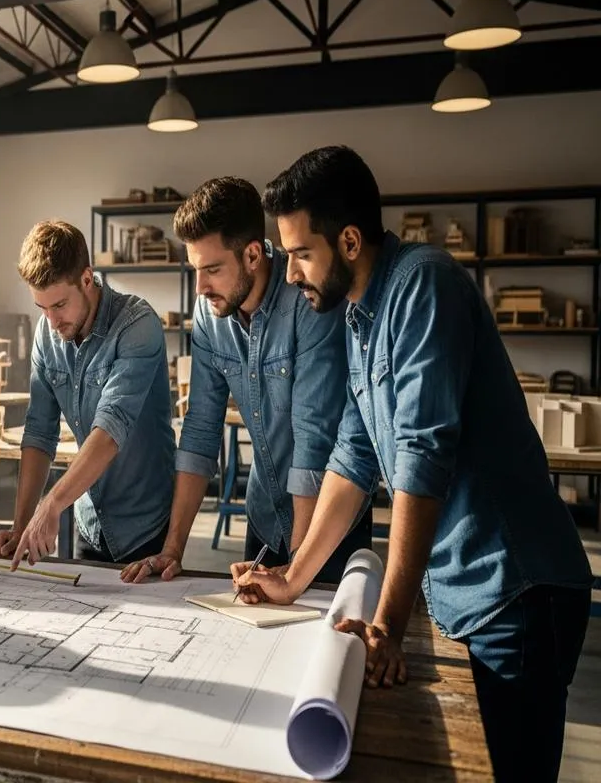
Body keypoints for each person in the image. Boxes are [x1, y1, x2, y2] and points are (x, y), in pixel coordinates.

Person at [237, 144, 592, 783]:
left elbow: (423, 455)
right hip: (466, 592)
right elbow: (355, 455)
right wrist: (292, 577)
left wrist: (388, 624)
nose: (289, 274)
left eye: (301, 254)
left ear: (349, 241)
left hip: (516, 590)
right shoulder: (358, 315)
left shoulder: (425, 285)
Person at [119, 176, 371, 585]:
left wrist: (296, 570)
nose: (200, 288)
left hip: (326, 526)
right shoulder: (210, 313)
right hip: (265, 518)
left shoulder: (309, 301)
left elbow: (313, 441)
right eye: (195, 269)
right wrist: (172, 549)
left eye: (212, 269)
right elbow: (201, 428)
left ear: (252, 254)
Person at [0, 220, 175, 567]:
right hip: (90, 522)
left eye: (59, 305)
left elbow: (110, 430)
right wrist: (21, 525)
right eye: (42, 308)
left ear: (87, 279)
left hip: (146, 527)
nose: (51, 321)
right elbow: (39, 431)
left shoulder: (138, 325)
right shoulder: (47, 333)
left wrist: (51, 504)